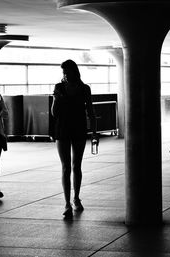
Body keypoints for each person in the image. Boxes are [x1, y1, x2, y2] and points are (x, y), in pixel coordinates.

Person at [51, 59, 97, 218]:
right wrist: (56, 99)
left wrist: (94, 132)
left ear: (74, 71)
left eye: (67, 71)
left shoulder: (84, 89)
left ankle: (76, 197)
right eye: (63, 72)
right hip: (62, 129)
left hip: (78, 128)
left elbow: (90, 110)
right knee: (66, 167)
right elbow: (54, 113)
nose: (65, 75)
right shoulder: (59, 88)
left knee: (76, 164)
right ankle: (67, 203)